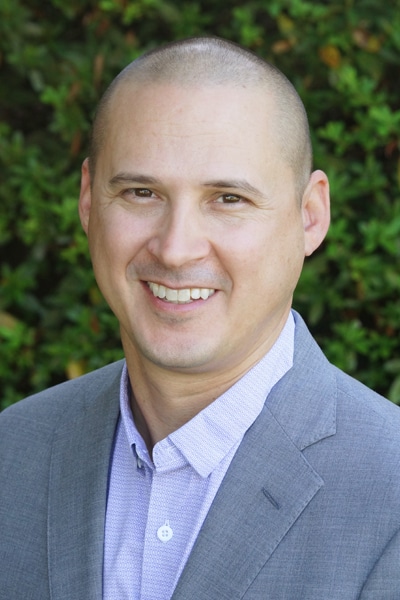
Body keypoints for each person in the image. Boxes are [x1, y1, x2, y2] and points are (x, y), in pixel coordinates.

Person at [1, 36, 400, 600]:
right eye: (142, 192)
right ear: (89, 201)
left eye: (228, 199)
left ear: (309, 217)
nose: (175, 248)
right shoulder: (12, 452)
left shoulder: (391, 493)